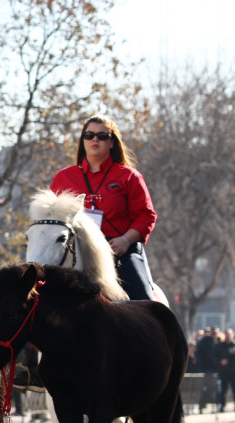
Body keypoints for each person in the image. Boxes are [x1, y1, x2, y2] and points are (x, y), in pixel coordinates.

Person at [49, 115, 158, 302]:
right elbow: (50, 217)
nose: (95, 140)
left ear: (112, 142)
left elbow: (146, 216)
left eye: (102, 136)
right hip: (76, 253)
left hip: (120, 251)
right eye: (89, 135)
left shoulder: (129, 176)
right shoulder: (63, 177)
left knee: (144, 302)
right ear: (82, 140)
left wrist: (125, 240)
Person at [216, 333, 235, 414]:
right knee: (223, 390)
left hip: (234, 371)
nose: (228, 337)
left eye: (229, 335)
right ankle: (222, 406)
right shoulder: (220, 346)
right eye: (227, 335)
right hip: (224, 371)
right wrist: (220, 361)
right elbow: (213, 356)